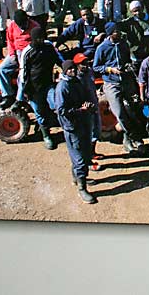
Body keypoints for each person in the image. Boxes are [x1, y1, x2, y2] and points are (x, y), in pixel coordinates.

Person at [94, 22, 146, 153]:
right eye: (116, 31)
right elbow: (96, 67)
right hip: (112, 83)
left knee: (133, 109)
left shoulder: (123, 44)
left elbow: (127, 58)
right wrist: (110, 69)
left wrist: (129, 65)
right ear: (110, 33)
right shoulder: (102, 48)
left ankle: (131, 139)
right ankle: (133, 137)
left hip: (126, 81)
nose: (118, 33)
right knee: (119, 113)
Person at [55, 59, 99, 204]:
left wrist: (88, 105)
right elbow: (61, 111)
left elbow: (86, 96)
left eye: (74, 68)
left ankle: (77, 177)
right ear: (64, 71)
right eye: (70, 70)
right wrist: (80, 110)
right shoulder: (62, 87)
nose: (73, 71)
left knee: (85, 154)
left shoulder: (77, 81)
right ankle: (82, 188)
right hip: (72, 127)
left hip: (84, 123)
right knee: (79, 158)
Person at [16, 26, 61, 150]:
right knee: (39, 113)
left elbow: (58, 60)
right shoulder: (27, 52)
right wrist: (25, 90)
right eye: (38, 39)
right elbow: (23, 72)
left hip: (48, 84)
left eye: (43, 38)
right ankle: (46, 136)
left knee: (57, 104)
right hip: (34, 89)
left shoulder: (49, 47)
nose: (41, 41)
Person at [0, 10, 40, 108]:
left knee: (22, 75)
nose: (22, 27)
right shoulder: (12, 26)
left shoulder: (35, 26)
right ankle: (7, 95)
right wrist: (12, 54)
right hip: (16, 52)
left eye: (23, 25)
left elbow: (38, 44)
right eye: (19, 25)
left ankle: (20, 99)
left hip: (29, 54)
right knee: (2, 69)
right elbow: (10, 40)